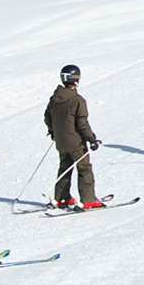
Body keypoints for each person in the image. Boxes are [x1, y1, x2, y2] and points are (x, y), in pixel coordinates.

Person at [44, 65, 105, 210]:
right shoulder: (77, 100)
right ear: (77, 80)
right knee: (84, 168)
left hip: (61, 141)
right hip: (76, 142)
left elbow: (47, 116)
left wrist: (53, 132)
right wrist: (91, 138)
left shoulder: (54, 98)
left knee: (64, 167)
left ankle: (61, 197)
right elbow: (82, 122)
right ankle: (88, 199)